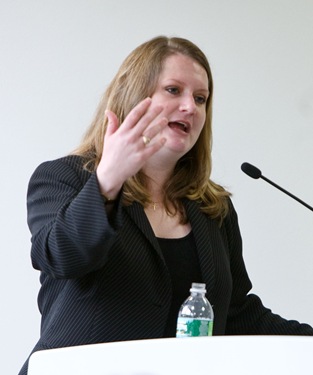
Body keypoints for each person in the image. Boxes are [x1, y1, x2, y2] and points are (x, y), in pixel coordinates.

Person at [19, 35, 313, 374]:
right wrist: (107, 181)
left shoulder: (212, 207)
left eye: (201, 98)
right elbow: (63, 256)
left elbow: (234, 313)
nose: (190, 106)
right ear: (133, 97)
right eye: (174, 90)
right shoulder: (63, 178)